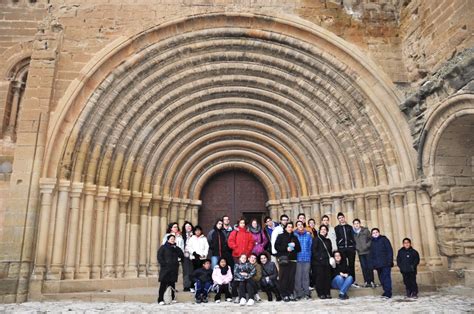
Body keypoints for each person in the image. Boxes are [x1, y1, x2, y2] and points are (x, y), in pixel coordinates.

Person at [275, 221, 301, 302]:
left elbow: (299, 249)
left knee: (291, 278)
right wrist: (286, 248)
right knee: (284, 277)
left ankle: (290, 293)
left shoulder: (295, 237)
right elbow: (276, 246)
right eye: (288, 227)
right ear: (285, 228)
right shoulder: (280, 236)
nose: (290, 228)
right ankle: (284, 294)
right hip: (284, 259)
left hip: (293, 259)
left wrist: (295, 245)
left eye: (291, 227)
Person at [157, 234, 184, 305]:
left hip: (173, 268)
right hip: (165, 269)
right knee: (163, 284)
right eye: (171, 239)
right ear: (168, 239)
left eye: (173, 239)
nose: (172, 240)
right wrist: (163, 264)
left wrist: (176, 249)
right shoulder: (163, 247)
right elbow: (159, 256)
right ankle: (160, 299)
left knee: (172, 284)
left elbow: (181, 255)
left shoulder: (176, 248)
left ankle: (172, 298)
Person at [369, 228, 393, 299]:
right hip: (378, 264)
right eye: (373, 233)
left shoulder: (384, 240)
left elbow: (389, 251)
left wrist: (389, 261)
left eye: (376, 232)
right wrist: (373, 265)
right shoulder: (372, 242)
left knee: (386, 278)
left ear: (379, 233)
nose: (375, 234)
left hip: (385, 263)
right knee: (381, 278)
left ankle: (388, 292)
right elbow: (371, 254)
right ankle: (385, 290)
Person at [335, 212, 357, 287]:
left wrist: (353, 246)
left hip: (350, 248)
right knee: (343, 264)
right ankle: (344, 279)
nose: (341, 219)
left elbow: (353, 237)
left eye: (342, 217)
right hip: (342, 248)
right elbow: (336, 238)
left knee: (351, 264)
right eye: (339, 218)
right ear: (338, 219)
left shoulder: (349, 227)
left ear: (344, 218)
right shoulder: (337, 228)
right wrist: (338, 245)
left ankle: (352, 280)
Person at [312, 224, 333, 299]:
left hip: (327, 262)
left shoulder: (328, 240)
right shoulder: (316, 239)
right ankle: (320, 293)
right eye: (322, 229)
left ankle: (327, 292)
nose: (323, 230)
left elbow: (330, 251)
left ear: (327, 231)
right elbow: (314, 251)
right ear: (319, 231)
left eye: (325, 229)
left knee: (327, 277)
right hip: (318, 262)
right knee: (319, 278)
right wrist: (320, 258)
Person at [353, 218, 375, 288]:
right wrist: (357, 248)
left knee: (369, 266)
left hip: (367, 251)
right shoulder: (353, 233)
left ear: (360, 224)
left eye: (357, 223)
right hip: (360, 252)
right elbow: (353, 242)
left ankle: (371, 281)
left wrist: (367, 246)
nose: (356, 225)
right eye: (355, 224)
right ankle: (366, 281)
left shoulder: (365, 231)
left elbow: (371, 239)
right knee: (364, 267)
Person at [294, 220, 312, 300]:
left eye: (301, 224)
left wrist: (310, 256)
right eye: (298, 224)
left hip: (307, 258)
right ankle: (299, 294)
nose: (300, 226)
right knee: (298, 277)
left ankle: (306, 293)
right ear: (296, 226)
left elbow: (311, 246)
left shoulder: (308, 235)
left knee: (306, 276)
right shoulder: (294, 235)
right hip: (298, 258)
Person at [182, 221, 195, 292]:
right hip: (185, 256)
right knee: (186, 271)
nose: (188, 227)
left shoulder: (195, 235)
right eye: (186, 226)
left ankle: (193, 285)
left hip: (194, 255)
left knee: (193, 271)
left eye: (189, 226)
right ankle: (186, 286)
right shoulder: (182, 236)